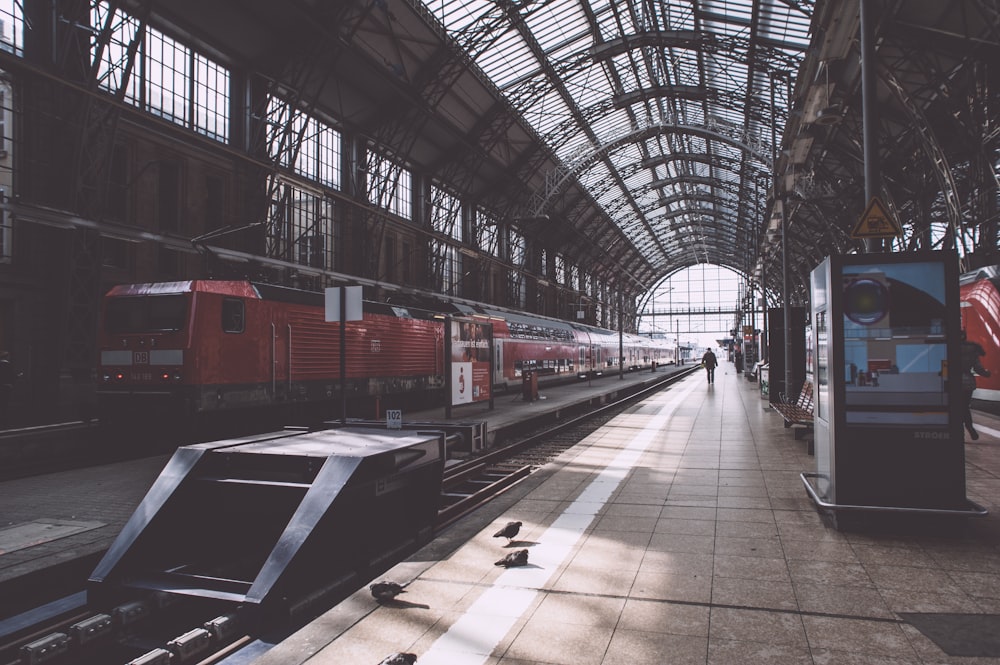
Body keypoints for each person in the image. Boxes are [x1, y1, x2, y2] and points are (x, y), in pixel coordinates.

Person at [960, 330, 990, 440]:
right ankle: (969, 427)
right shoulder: (973, 350)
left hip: (954, 383)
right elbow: (978, 368)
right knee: (964, 407)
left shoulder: (949, 348)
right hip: (968, 383)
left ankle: (962, 433)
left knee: (956, 408)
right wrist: (987, 373)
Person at [0, 351, 14, 425]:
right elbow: (11, 376)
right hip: (6, 386)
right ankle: (3, 417)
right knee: (5, 402)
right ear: (7, 356)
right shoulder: (8, 365)